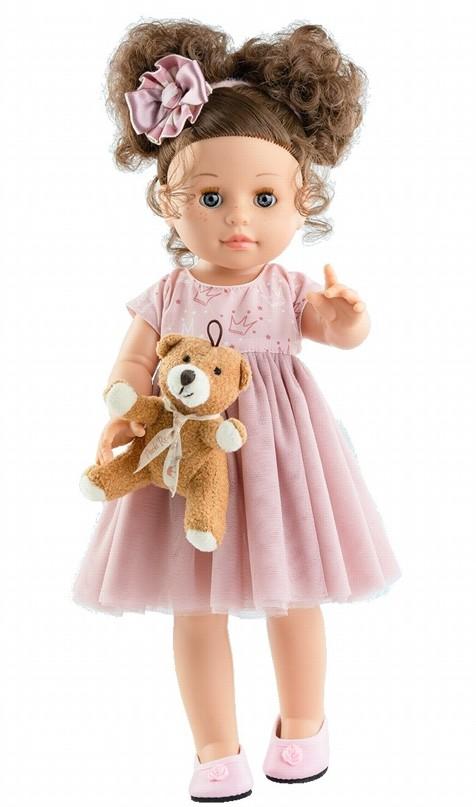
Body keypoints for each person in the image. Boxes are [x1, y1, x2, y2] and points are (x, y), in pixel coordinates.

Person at [72, 19, 402, 802]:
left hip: (281, 463)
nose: (238, 220)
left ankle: (304, 723)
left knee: (296, 593)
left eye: (265, 197)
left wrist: (347, 316)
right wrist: (125, 405)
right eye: (212, 197)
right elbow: (133, 361)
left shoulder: (287, 289)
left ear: (301, 200)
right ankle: (215, 747)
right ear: (169, 200)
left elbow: (336, 331)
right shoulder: (168, 293)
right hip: (186, 466)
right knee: (194, 606)